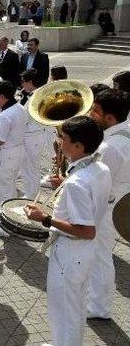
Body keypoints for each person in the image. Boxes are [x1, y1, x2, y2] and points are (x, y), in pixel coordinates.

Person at [25, 116, 111, 346]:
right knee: (75, 306)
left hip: (71, 253)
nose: (59, 141)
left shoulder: (77, 183)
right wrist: (63, 181)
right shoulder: (100, 167)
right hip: (83, 254)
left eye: (63, 138)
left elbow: (86, 230)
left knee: (63, 308)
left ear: (79, 146)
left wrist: (45, 218)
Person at [86, 89, 130, 320]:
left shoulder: (110, 147)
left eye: (95, 112)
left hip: (109, 205)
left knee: (100, 256)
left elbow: (98, 181)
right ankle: (98, 301)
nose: (91, 114)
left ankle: (99, 307)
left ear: (110, 118)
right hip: (119, 201)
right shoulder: (125, 132)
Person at [0, 81, 27, 237]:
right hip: (16, 152)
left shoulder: (5, 115)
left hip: (4, 155)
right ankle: (6, 220)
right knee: (9, 189)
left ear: (2, 97)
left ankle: (3, 226)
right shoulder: (20, 108)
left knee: (1, 191)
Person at [19, 69, 46, 199]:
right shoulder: (35, 95)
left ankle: (32, 195)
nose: (22, 85)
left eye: (23, 82)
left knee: (31, 168)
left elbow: (26, 118)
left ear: (30, 82)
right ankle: (30, 192)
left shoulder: (35, 97)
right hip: (33, 135)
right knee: (28, 167)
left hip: (32, 136)